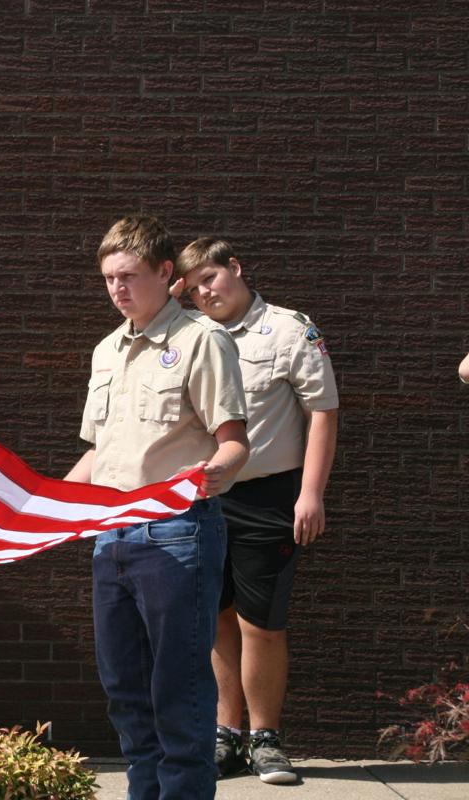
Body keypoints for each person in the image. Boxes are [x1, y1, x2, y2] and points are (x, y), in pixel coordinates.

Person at [63, 215, 249, 800]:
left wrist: (211, 475)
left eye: (130, 276)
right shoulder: (106, 351)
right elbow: (99, 451)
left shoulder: (201, 340)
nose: (118, 288)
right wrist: (42, 506)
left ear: (165, 272)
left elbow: (234, 440)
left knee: (179, 689)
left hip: (177, 532)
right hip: (111, 536)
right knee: (124, 688)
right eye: (109, 278)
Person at [175, 237, 338, 785]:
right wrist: (178, 302)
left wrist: (310, 493)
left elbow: (322, 412)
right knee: (216, 617)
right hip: (207, 497)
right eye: (192, 287)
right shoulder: (191, 335)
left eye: (210, 279)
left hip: (270, 497)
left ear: (236, 268)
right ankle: (226, 735)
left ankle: (265, 739)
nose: (204, 293)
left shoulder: (289, 329)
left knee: (261, 622)